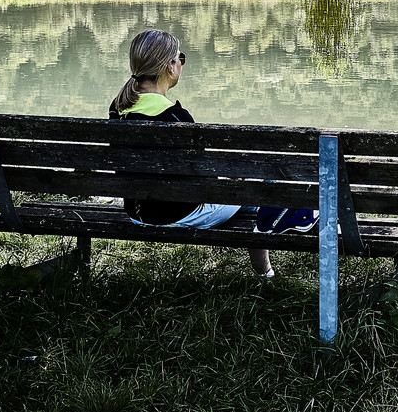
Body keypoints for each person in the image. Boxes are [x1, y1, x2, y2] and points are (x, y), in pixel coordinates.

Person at [110, 28, 289, 277]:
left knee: (247, 193)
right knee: (258, 191)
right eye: (179, 58)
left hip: (137, 214)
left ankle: (266, 267)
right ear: (169, 67)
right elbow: (203, 183)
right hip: (179, 215)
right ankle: (265, 272)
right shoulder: (176, 118)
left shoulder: (118, 108)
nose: (181, 64)